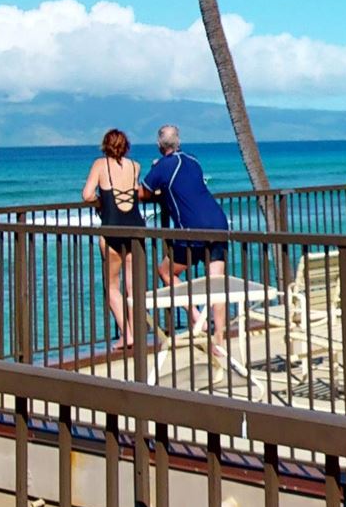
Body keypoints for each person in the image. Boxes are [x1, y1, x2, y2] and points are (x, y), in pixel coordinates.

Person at [142, 125, 237, 350]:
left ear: (158, 145)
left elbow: (143, 192)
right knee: (216, 282)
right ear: (179, 142)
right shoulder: (193, 160)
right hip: (218, 222)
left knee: (166, 271)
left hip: (193, 228)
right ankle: (219, 340)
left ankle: (196, 318)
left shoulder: (163, 166)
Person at [84, 129, 149, 346]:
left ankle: (126, 334)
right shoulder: (135, 166)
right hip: (135, 228)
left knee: (112, 286)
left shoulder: (100, 165)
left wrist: (99, 201)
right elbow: (134, 191)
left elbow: (87, 195)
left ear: (105, 145)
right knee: (133, 287)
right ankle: (135, 333)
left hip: (112, 229)